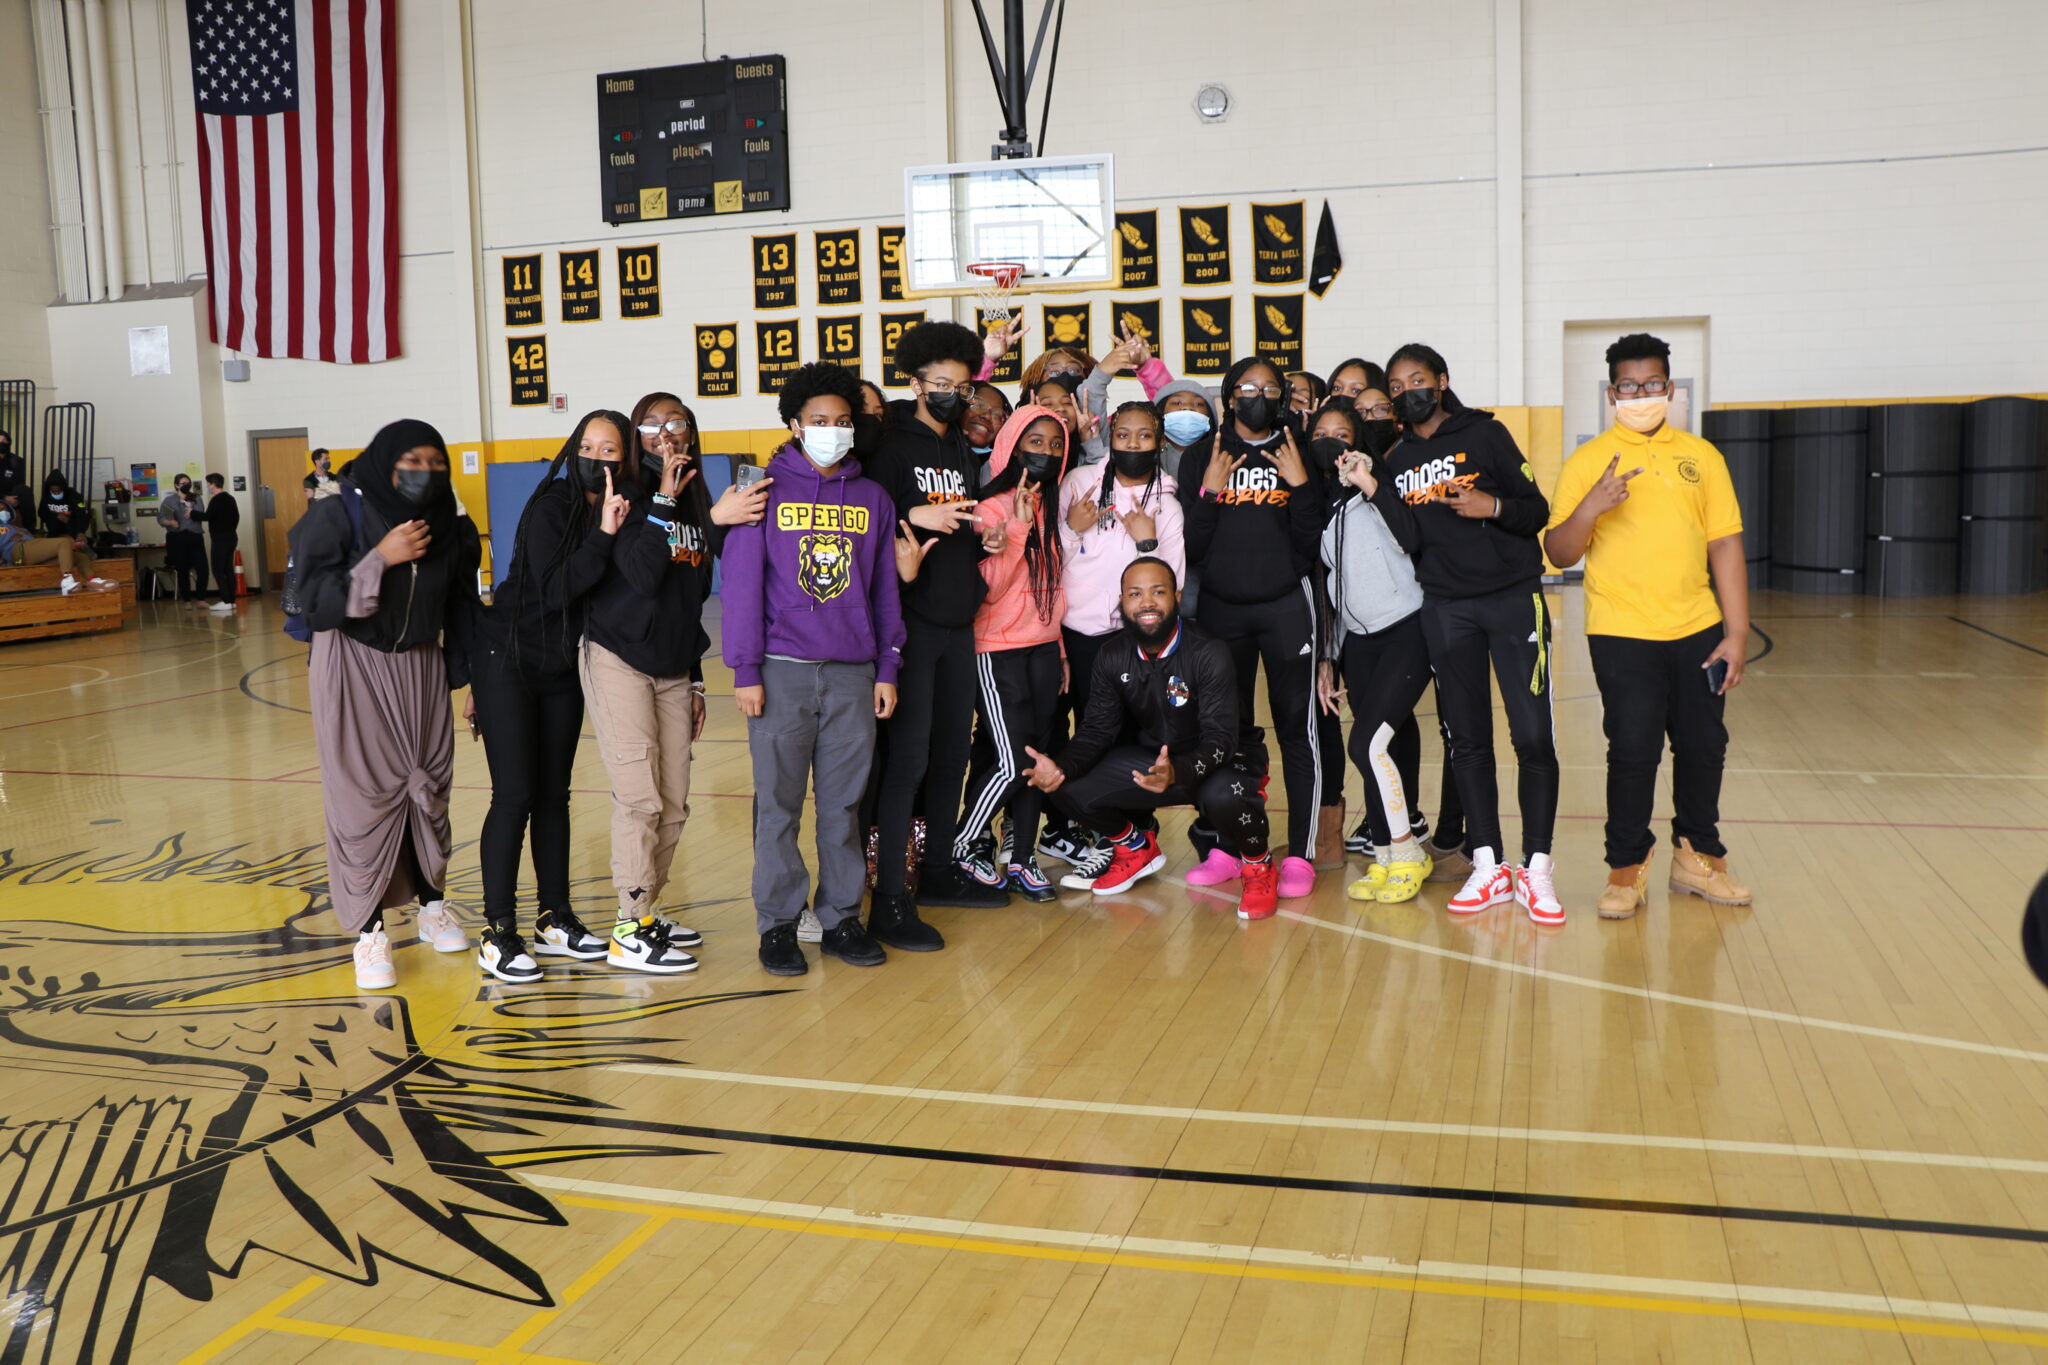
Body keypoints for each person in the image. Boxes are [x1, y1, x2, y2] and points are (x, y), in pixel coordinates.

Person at [1544, 332, 1752, 918]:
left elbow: (1726, 546)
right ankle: (1626, 868)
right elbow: (1559, 552)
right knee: (1633, 749)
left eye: (1653, 384)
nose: (1642, 394)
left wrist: (1736, 633)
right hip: (1621, 629)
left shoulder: (1702, 457)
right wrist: (1592, 506)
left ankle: (1698, 857)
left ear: (1670, 386)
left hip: (1697, 626)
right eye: (1630, 386)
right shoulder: (1588, 462)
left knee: (1704, 744)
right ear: (1613, 392)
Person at [725, 363, 910, 976]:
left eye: (843, 422)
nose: (832, 430)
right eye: (819, 421)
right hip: (780, 671)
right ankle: (778, 926)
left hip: (855, 673)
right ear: (795, 424)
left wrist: (887, 665)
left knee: (842, 807)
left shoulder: (871, 497)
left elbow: (885, 588)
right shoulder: (760, 487)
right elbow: (743, 587)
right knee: (778, 807)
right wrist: (745, 670)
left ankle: (840, 919)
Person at [1370, 342, 1562, 924]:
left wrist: (1492, 504)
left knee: (1531, 736)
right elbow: (1409, 539)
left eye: (1417, 380)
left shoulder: (1486, 436)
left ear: (1442, 380)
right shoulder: (1397, 458)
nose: (1408, 392)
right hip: (1447, 609)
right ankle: (1488, 864)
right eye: (1396, 387)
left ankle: (1537, 869)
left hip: (1511, 599)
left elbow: (1537, 510)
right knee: (1467, 741)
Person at [580, 393, 768, 973]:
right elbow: (638, 574)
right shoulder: (631, 497)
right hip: (618, 657)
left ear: (691, 433)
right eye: (653, 426)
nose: (667, 435)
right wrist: (664, 495)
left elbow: (689, 599)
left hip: (671, 666)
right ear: (637, 438)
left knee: (674, 803)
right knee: (638, 799)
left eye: (677, 424)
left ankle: (645, 912)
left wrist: (693, 680)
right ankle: (627, 927)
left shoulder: (697, 501)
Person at [290, 419, 480, 990]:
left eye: (435, 462)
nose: (424, 473)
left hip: (421, 665)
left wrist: (472, 681)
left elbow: (462, 608)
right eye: (411, 461)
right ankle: (369, 934)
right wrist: (380, 557)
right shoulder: (335, 514)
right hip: (351, 666)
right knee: (361, 798)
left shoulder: (449, 523)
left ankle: (431, 905)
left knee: (428, 790)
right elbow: (314, 602)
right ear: (383, 461)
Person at [466, 410, 628, 982]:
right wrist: (606, 535)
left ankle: (553, 917)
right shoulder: (554, 505)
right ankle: (497, 931)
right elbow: (555, 587)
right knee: (514, 794)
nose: (597, 458)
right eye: (587, 445)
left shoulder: (621, 510)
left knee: (554, 796)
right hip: (507, 657)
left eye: (610, 450)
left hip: (562, 665)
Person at [1022, 557, 1278, 918]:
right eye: (1135, 594)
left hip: (1222, 760)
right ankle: (1134, 848)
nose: (1146, 602)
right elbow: (1097, 730)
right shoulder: (1112, 655)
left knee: (1224, 795)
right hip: (1157, 764)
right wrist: (1060, 765)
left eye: (1158, 592)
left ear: (1176, 596)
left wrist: (1179, 770)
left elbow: (1222, 739)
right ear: (1122, 602)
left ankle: (1258, 867)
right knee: (1065, 782)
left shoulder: (1208, 650)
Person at [865, 323, 1010, 922]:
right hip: (912, 626)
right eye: (941, 383)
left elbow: (958, 525)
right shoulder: (890, 447)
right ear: (916, 382)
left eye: (962, 385)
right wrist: (910, 510)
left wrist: (986, 542)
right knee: (910, 762)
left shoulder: (954, 446)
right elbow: (863, 520)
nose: (953, 394)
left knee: (952, 752)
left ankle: (942, 871)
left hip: (958, 623)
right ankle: (893, 895)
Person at [1176, 357, 1328, 900]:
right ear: (1229, 396)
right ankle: (1227, 844)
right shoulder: (1202, 456)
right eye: (1248, 387)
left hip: (1286, 605)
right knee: (1225, 733)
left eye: (1269, 388)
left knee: (1297, 729)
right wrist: (1211, 491)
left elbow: (1312, 544)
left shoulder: (1297, 451)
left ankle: (1302, 854)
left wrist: (1302, 485)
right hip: (1221, 610)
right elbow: (1190, 549)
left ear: (1283, 396)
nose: (1258, 395)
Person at [1041, 400, 1185, 882]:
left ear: (1159, 441)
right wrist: (1070, 529)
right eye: (1124, 435)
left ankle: (1134, 836)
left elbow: (1174, 581)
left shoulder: (1167, 499)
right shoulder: (1079, 484)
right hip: (1077, 632)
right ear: (1110, 436)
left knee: (1128, 737)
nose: (1133, 445)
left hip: (1131, 638)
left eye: (1144, 437)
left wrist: (1147, 542)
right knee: (1080, 733)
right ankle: (1080, 832)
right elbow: (1048, 560)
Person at [1310, 400, 1435, 904]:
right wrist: (1330, 657)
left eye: (1343, 433)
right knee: (1389, 745)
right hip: (1357, 646)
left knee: (1366, 744)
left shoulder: (1379, 490)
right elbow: (1331, 588)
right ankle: (1384, 856)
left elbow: (1411, 539)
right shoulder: (1322, 509)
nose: (1332, 441)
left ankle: (1408, 853)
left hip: (1407, 631)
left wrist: (1369, 485)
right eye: (1322, 431)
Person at [193, 472, 241, 613]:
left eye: (208, 484)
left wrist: (191, 513)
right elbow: (236, 517)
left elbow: (208, 516)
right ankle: (232, 601)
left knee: (218, 570)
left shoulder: (216, 500)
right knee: (228, 569)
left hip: (220, 539)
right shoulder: (230, 498)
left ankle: (226, 600)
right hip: (232, 537)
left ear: (213, 484)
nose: (208, 486)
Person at [157, 475, 207, 606]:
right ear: (176, 485)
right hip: (177, 537)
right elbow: (161, 518)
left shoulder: (196, 498)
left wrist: (191, 510)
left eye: (188, 483)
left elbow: (201, 512)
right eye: (183, 483)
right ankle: (187, 600)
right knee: (182, 569)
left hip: (195, 536)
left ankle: (201, 598)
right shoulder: (169, 500)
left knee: (202, 568)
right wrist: (170, 522)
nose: (186, 485)